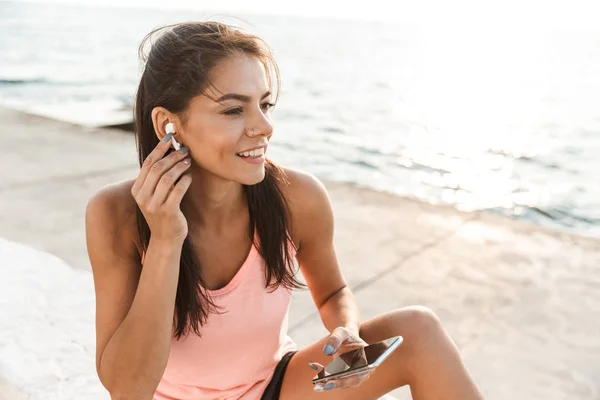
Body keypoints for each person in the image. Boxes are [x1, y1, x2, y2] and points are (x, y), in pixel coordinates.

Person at [84, 21, 484, 400]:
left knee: (418, 331)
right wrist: (167, 239)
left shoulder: (298, 197)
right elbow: (127, 389)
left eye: (265, 104)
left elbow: (334, 291)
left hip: (273, 387)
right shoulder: (116, 214)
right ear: (168, 124)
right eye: (233, 110)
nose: (264, 126)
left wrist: (344, 330)